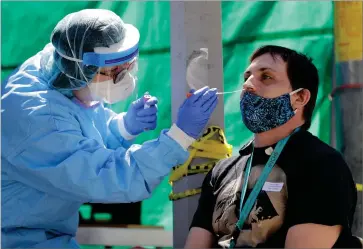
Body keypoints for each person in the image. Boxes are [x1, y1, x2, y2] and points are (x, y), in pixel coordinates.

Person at [1, 9, 218, 248]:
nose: (126, 78)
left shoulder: (58, 70)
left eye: (129, 67)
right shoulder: (35, 119)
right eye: (115, 72)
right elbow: (107, 176)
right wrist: (179, 137)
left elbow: (79, 127)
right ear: (81, 71)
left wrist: (122, 127)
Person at [185, 45, 361, 248]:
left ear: (300, 97)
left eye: (266, 77)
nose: (248, 85)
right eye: (246, 77)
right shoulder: (222, 171)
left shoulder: (322, 165)